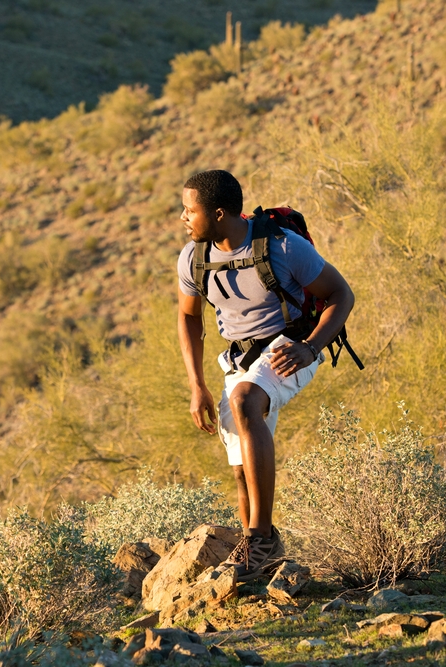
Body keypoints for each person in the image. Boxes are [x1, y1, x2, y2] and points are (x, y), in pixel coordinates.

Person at [176, 169, 355, 581]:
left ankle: (260, 538)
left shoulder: (283, 247)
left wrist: (311, 347)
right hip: (238, 359)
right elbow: (189, 319)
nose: (183, 218)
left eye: (190, 210)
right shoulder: (193, 258)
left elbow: (341, 294)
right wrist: (197, 385)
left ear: (219, 214)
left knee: (245, 403)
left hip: (290, 348)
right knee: (240, 466)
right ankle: (259, 554)